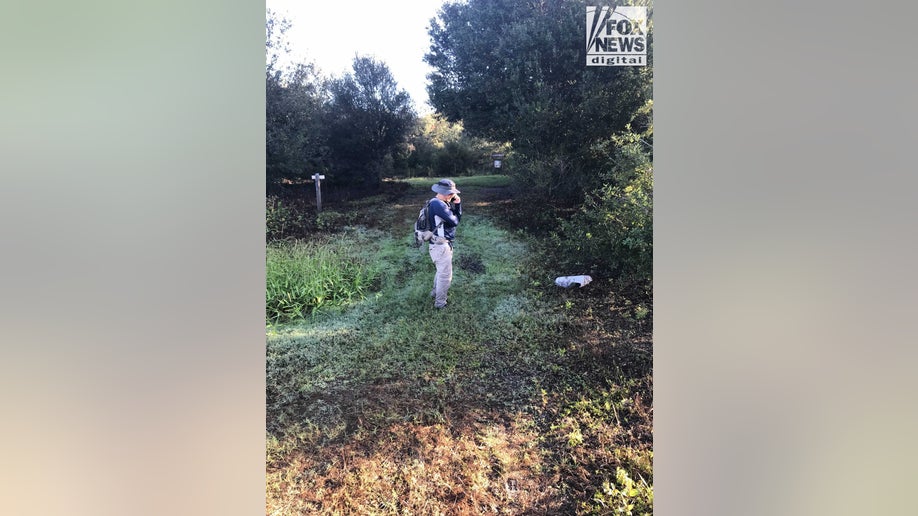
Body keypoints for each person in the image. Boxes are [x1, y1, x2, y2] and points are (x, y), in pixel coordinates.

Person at [427, 178, 462, 309]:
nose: (454, 196)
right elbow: (455, 221)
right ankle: (440, 304)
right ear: (447, 193)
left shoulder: (434, 202)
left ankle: (434, 292)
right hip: (441, 246)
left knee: (440, 271)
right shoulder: (439, 205)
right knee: (445, 276)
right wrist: (458, 204)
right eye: (452, 194)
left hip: (436, 244)